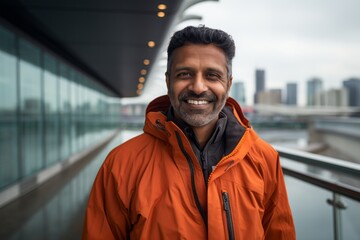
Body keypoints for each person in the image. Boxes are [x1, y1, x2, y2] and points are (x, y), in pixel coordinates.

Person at [82, 25, 296, 239]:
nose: (198, 87)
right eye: (185, 74)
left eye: (212, 76)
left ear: (228, 85)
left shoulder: (264, 159)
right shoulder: (121, 164)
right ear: (168, 82)